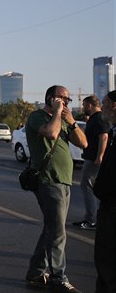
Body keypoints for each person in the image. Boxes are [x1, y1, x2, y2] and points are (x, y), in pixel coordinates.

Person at [24, 85, 87, 293]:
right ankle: (58, 277)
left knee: (52, 227)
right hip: (48, 179)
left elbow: (84, 143)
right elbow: (51, 134)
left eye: (68, 100)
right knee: (58, 231)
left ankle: (35, 271)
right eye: (62, 99)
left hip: (64, 180)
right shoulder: (37, 117)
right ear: (50, 98)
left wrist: (72, 122)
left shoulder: (64, 119)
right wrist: (58, 113)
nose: (66, 102)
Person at [72, 95, 109, 230]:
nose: (82, 108)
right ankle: (94, 218)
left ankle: (91, 219)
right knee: (92, 187)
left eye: (83, 105)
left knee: (86, 186)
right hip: (92, 158)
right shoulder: (95, 118)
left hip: (94, 159)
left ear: (89, 105)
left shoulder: (99, 118)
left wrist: (100, 157)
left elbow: (104, 137)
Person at [93, 90, 116, 293]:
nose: (102, 107)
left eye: (105, 103)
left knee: (107, 258)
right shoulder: (114, 130)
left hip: (112, 206)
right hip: (108, 203)